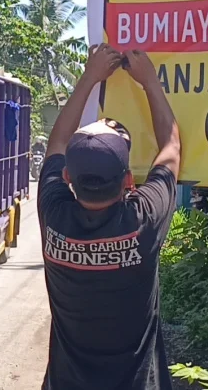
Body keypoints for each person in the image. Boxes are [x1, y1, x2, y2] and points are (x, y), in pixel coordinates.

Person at [38, 44, 181, 390]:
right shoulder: (142, 219)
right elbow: (173, 146)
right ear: (129, 180)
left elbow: (55, 145)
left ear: (69, 178)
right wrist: (150, 82)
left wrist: (89, 78)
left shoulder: (55, 215)